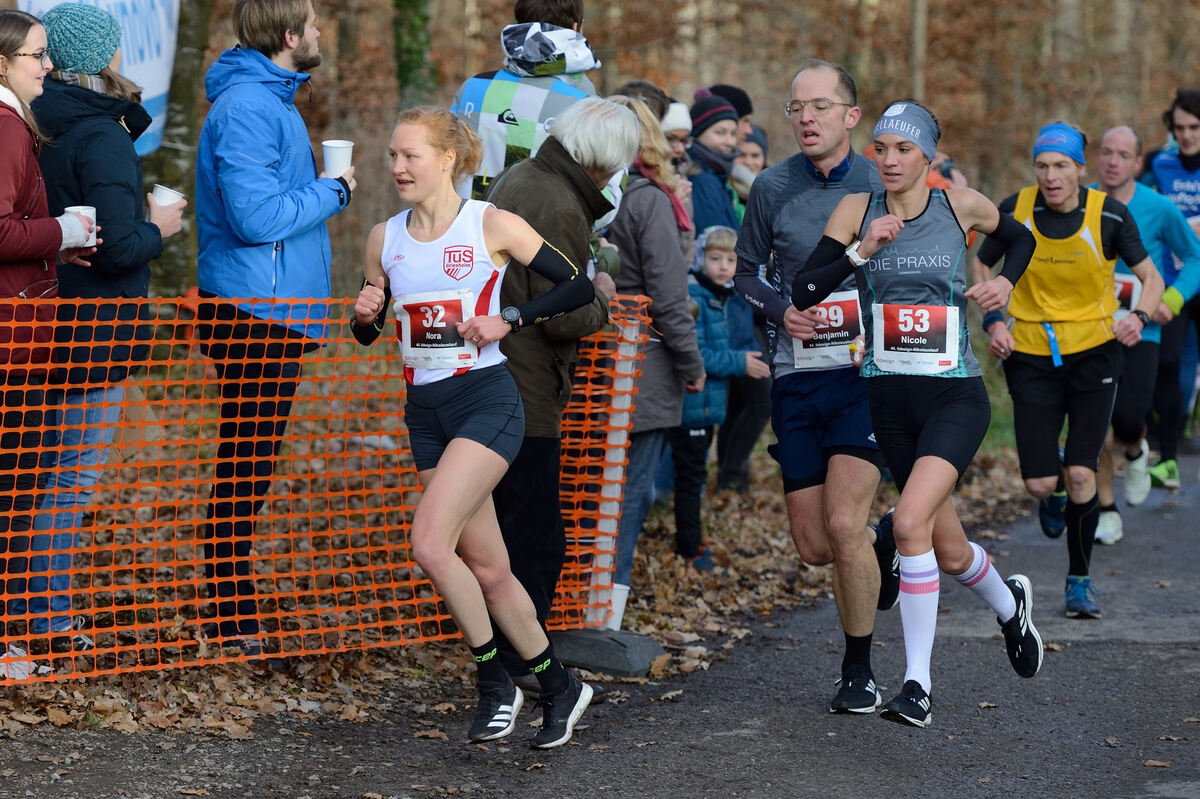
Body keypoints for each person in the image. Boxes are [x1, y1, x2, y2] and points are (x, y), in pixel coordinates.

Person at [792, 99, 1042, 729]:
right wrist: (859, 252)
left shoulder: (961, 205)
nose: (891, 160)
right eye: (882, 148)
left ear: (928, 156)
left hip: (954, 395)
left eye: (904, 149)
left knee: (907, 525)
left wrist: (1006, 283)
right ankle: (1009, 603)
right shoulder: (858, 211)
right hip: (888, 400)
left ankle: (917, 687)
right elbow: (803, 290)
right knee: (949, 549)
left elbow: (1022, 238)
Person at [350, 105, 596, 748]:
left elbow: (578, 287)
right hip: (424, 412)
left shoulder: (490, 223)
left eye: (412, 156)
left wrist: (510, 317)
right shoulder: (384, 236)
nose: (399, 167)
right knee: (488, 567)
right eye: (394, 156)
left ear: (449, 160)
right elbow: (370, 329)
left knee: (431, 545)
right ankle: (559, 684)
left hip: (487, 401)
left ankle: (495, 681)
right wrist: (367, 313)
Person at [10, 2, 186, 655]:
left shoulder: (32, 119)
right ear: (104, 57)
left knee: (33, 471)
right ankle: (48, 620)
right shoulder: (101, 134)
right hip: (93, 330)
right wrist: (158, 229)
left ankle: (27, 615)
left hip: (38, 320)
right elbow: (114, 248)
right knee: (70, 475)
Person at [733, 59, 898, 715]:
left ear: (851, 117)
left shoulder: (883, 180)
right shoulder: (771, 187)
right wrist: (780, 310)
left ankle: (858, 669)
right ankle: (885, 540)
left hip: (867, 374)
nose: (805, 117)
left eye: (820, 106)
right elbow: (745, 274)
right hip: (798, 373)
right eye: (795, 107)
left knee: (841, 520)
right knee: (813, 546)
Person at [194, 0, 355, 657]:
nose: (319, 33)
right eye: (313, 25)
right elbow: (258, 220)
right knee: (244, 465)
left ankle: (234, 609)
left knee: (251, 466)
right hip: (253, 313)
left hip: (274, 312)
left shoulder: (272, 101)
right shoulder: (250, 107)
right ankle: (233, 616)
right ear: (289, 36)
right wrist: (335, 189)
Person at [976, 122, 1164, 620]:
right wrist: (995, 317)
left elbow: (1151, 277)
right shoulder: (1016, 208)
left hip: (1095, 354)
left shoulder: (1108, 216)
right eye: (1042, 165)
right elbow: (982, 263)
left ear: (1081, 169)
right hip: (1031, 354)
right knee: (1041, 484)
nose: (1051, 175)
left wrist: (1140, 318)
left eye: (1061, 165)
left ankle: (1079, 582)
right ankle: (1054, 490)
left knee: (1083, 471)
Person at [481, 96, 634, 681]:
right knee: (535, 534)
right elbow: (564, 314)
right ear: (606, 161)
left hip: (492, 371)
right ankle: (522, 659)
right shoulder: (561, 205)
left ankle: (501, 653)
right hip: (525, 384)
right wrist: (602, 288)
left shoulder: (521, 175)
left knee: (504, 524)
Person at [0, 8, 95, 679]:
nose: (48, 67)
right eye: (36, 55)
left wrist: (60, 249)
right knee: (16, 491)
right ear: (4, 61)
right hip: (14, 343)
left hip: (18, 328)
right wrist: (61, 231)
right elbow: (2, 233)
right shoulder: (5, 126)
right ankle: (7, 641)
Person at [605, 94, 705, 626]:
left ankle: (587, 607)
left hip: (594, 362)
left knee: (594, 489)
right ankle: (607, 614)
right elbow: (669, 295)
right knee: (630, 494)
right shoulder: (648, 201)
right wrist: (692, 366)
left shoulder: (602, 195)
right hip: (642, 365)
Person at [1092, 125, 1200, 544]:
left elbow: (1194, 257)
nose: (1112, 161)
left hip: (1142, 329)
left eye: (1123, 155)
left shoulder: (1159, 207)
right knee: (1092, 422)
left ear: (1139, 163)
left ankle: (1135, 449)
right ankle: (1105, 509)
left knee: (1129, 418)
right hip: (1087, 330)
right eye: (1106, 152)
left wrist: (1170, 300)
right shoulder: (1077, 202)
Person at [670, 226, 769, 567]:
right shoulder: (695, 296)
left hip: (705, 406)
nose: (724, 266)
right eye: (715, 258)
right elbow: (697, 354)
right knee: (690, 477)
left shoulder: (721, 296)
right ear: (700, 258)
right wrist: (739, 362)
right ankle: (690, 547)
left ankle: (691, 540)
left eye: (731, 260)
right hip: (690, 405)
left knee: (693, 476)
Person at [449, 0, 598, 199]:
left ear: (520, 26)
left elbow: (439, 164)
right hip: (542, 228)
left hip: (465, 225)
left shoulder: (472, 88)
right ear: (575, 27)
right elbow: (604, 199)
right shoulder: (586, 105)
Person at [1143, 89, 1200, 490]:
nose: (1187, 135)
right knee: (1171, 363)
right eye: (1179, 128)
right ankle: (1167, 448)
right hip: (1175, 281)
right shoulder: (1156, 165)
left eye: (1194, 127)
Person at [687, 90, 741, 231]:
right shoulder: (702, 181)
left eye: (733, 133)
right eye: (720, 132)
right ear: (697, 133)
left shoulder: (718, 176)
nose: (730, 142)